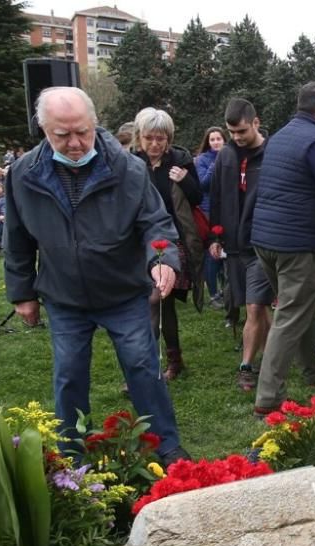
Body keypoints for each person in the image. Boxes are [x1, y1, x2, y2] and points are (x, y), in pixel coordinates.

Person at [3, 86, 190, 466]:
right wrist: (22, 292)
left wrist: (163, 259)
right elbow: (17, 237)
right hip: (64, 296)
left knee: (142, 367)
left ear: (94, 123)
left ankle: (166, 446)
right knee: (69, 375)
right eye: (62, 134)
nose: (75, 142)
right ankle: (73, 456)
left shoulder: (128, 169)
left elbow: (155, 222)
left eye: (83, 132)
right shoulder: (23, 174)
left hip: (123, 292)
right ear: (42, 129)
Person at [249, 82, 315, 416]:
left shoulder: (278, 137)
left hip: (265, 239)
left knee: (299, 307)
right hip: (298, 243)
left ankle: (311, 371)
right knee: (291, 315)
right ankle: (268, 395)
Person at [133, 107, 205, 381]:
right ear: (140, 137)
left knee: (157, 300)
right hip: (138, 243)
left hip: (172, 242)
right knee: (155, 303)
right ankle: (170, 360)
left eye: (161, 139)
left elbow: (198, 198)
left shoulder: (181, 160)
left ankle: (151, 367)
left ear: (169, 138)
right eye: (149, 138)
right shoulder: (130, 163)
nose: (154, 144)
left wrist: (185, 180)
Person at [208, 98, 274, 393]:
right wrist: (215, 235)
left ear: (256, 122)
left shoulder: (272, 154)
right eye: (232, 132)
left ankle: (247, 366)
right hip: (233, 244)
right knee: (254, 308)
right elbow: (217, 196)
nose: (236, 138)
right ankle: (282, 355)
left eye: (242, 131)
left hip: (262, 242)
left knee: (255, 306)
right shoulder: (226, 156)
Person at [195, 125, 228, 307]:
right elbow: (204, 183)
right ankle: (213, 293)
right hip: (208, 210)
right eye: (212, 139)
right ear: (208, 142)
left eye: (219, 139)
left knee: (225, 250)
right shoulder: (202, 160)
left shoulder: (231, 157)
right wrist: (216, 164)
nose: (216, 142)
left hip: (226, 209)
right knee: (212, 253)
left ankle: (226, 289)